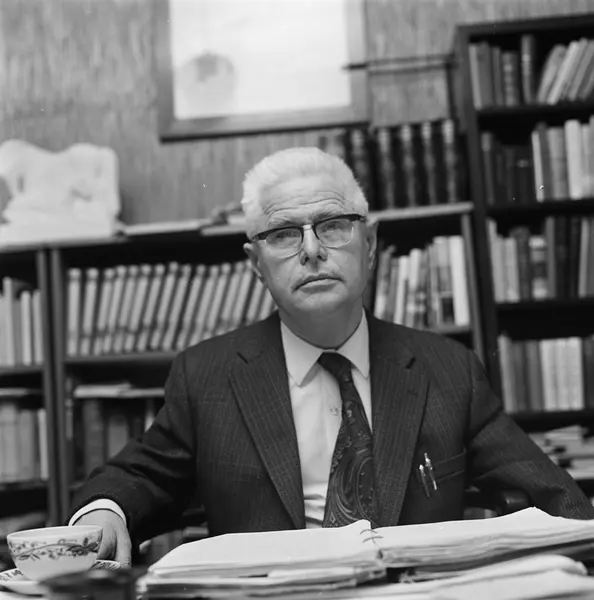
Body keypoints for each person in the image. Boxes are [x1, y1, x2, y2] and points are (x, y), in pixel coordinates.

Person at [69, 147, 594, 566]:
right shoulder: (207, 376)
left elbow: (555, 499)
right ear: (256, 264)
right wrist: (105, 514)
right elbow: (139, 477)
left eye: (333, 225)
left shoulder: (448, 370)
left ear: (370, 244)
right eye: (283, 234)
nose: (312, 250)